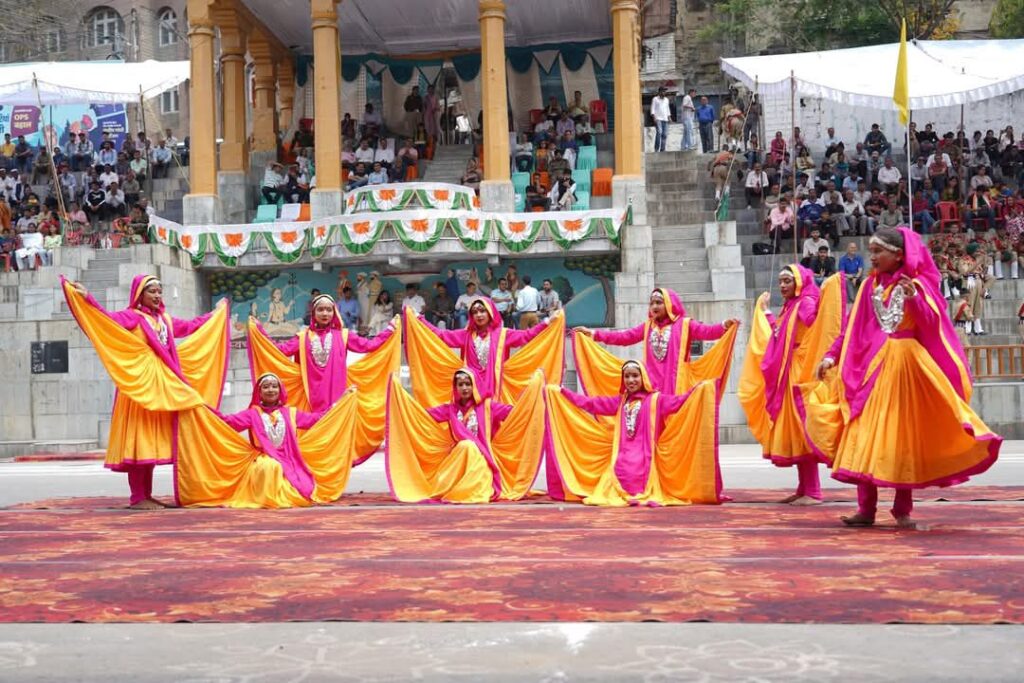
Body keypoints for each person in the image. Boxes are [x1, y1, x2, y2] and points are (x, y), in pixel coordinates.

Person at [803, 227, 1001, 528]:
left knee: (902, 436)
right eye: (871, 251)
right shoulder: (869, 285)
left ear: (898, 255)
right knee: (862, 433)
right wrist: (831, 355)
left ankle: (902, 510)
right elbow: (852, 326)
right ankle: (866, 509)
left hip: (906, 367)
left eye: (878, 251)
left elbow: (933, 323)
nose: (872, 257)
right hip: (871, 366)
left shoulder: (916, 284)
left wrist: (915, 299)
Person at [62, 275, 230, 509]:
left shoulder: (165, 320)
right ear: (139, 295)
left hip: (162, 387)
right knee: (138, 443)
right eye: (152, 291)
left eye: (159, 291)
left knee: (149, 444)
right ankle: (138, 497)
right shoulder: (132, 316)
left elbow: (190, 326)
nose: (157, 295)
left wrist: (215, 314)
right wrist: (87, 298)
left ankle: (146, 495)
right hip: (139, 391)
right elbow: (105, 319)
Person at [247, 293, 400, 464]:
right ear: (313, 313)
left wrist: (390, 330)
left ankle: (333, 474)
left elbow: (369, 346)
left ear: (334, 312)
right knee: (313, 441)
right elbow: (279, 351)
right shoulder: (302, 337)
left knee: (336, 442)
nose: (325, 313)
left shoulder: (344, 335)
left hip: (338, 398)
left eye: (329, 309)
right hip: (309, 399)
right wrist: (259, 332)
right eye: (320, 309)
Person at [544, 360, 723, 506]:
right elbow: (591, 403)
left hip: (647, 457)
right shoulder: (620, 402)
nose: (631, 380)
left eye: (635, 376)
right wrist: (562, 392)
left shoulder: (657, 400)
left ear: (643, 377)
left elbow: (679, 402)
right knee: (621, 466)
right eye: (627, 376)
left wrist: (700, 389)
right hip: (622, 455)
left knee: (633, 467)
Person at [738, 266, 845, 505]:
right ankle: (803, 487)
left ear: (799, 282)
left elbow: (815, 323)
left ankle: (813, 491)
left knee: (800, 429)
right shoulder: (791, 306)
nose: (782, 285)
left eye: (787, 281)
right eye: (781, 281)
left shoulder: (804, 302)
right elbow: (779, 333)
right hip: (788, 371)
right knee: (793, 432)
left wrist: (826, 296)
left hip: (798, 371)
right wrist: (766, 313)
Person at [176, 373, 361, 508]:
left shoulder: (291, 413)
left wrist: (341, 402)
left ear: (280, 391)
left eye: (274, 386)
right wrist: (201, 407)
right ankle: (267, 499)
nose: (270, 390)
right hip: (262, 458)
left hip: (290, 460)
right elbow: (227, 422)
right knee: (270, 466)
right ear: (259, 392)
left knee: (302, 485)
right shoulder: (252, 414)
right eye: (266, 387)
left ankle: (283, 495)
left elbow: (317, 419)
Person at [385, 368, 545, 504]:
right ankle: (452, 488)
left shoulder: (488, 407)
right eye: (460, 384)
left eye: (468, 384)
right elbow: (419, 415)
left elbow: (517, 413)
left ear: (475, 385)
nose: (465, 388)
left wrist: (533, 391)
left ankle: (469, 489)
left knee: (468, 445)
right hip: (459, 461)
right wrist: (399, 395)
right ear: (455, 388)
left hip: (481, 462)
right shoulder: (450, 409)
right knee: (465, 446)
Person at [573, 288, 739, 398]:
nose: (654, 306)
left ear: (669, 304)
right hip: (651, 385)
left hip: (677, 385)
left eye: (659, 302)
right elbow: (625, 337)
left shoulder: (685, 324)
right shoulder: (648, 326)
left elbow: (707, 332)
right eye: (652, 303)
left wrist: (724, 326)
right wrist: (594, 334)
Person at [404, 294, 563, 405]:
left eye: (482, 311)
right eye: (475, 312)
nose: (479, 315)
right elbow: (441, 335)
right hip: (470, 390)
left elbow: (527, 335)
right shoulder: (466, 335)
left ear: (490, 312)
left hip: (495, 389)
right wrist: (419, 319)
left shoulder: (503, 334)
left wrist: (547, 322)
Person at [651, 86, 671, 153]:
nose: (664, 92)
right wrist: (654, 117)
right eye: (663, 91)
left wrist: (669, 117)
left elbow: (667, 109)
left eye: (665, 91)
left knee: (664, 134)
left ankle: (662, 149)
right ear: (659, 92)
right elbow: (653, 109)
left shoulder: (666, 100)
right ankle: (656, 149)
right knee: (659, 132)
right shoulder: (655, 99)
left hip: (665, 119)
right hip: (658, 119)